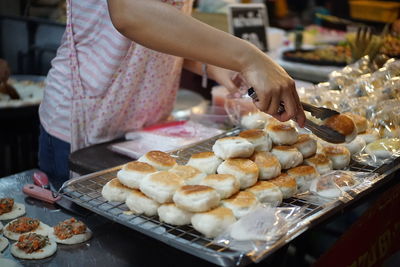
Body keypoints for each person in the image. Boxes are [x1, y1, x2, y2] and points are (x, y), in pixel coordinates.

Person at [39, 0, 305, 189]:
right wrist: (248, 57)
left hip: (147, 127)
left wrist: (215, 64)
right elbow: (129, 12)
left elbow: (161, 32)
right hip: (85, 121)